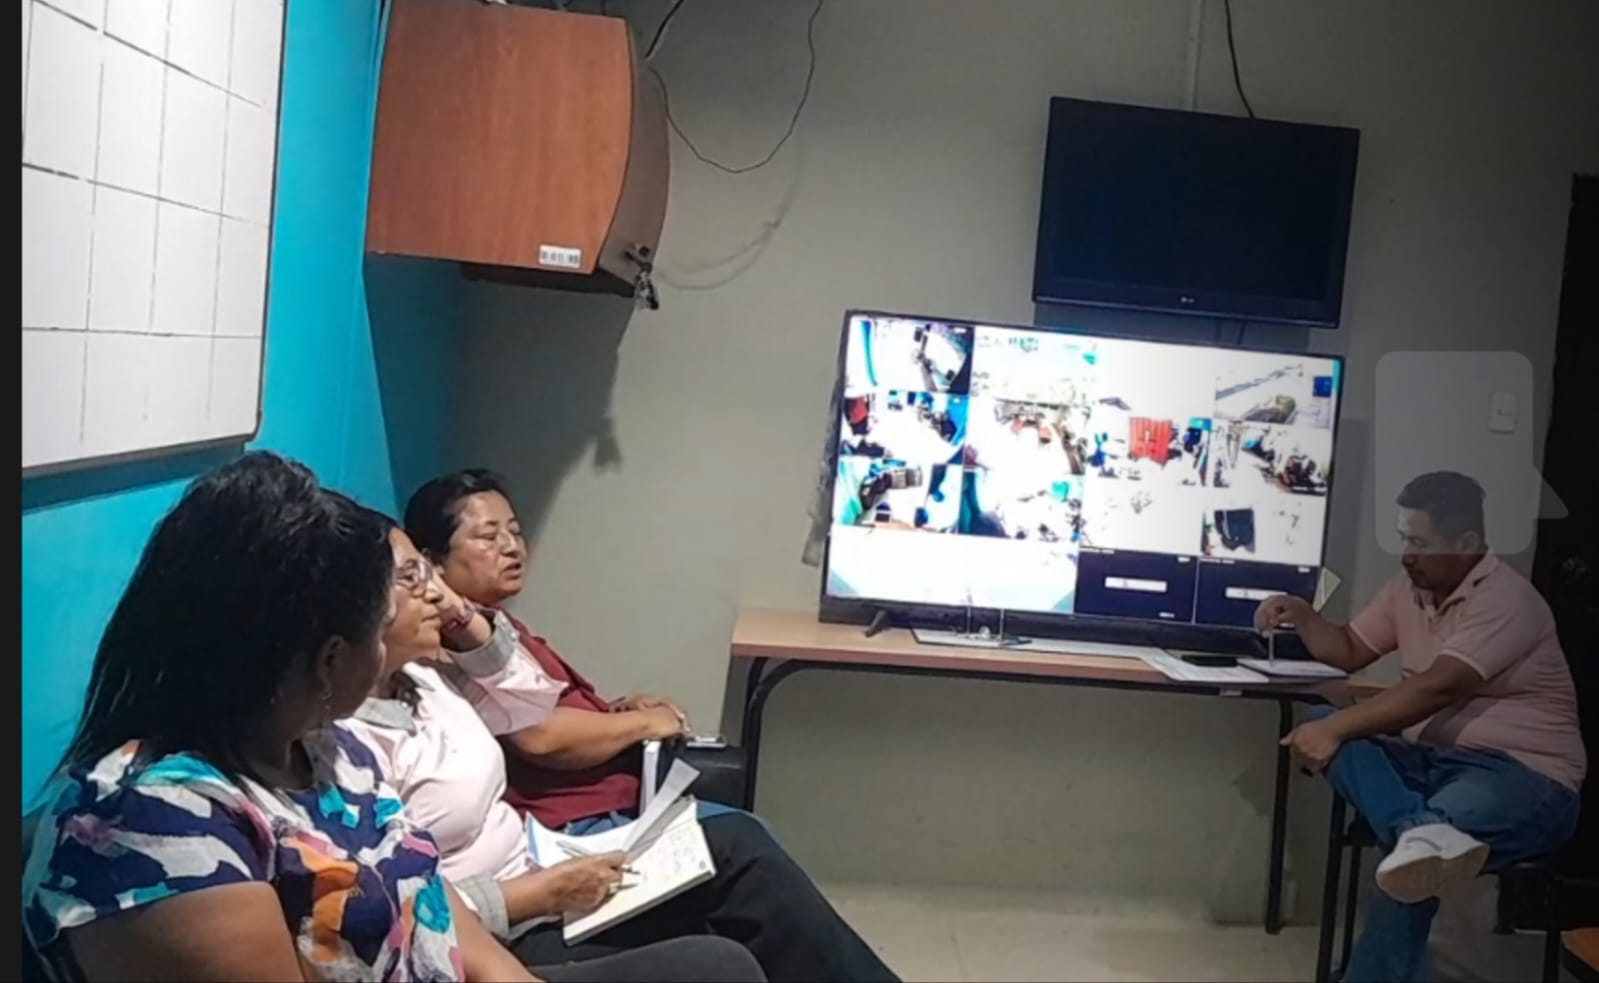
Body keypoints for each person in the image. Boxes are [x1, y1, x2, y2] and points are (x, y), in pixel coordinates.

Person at [20, 452, 763, 983]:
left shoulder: (331, 753)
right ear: (329, 658)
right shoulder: (152, 826)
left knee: (717, 966)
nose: (393, 654)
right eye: (382, 629)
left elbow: (436, 911)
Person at [403, 469, 900, 983]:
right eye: (488, 537)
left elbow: (528, 701)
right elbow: (539, 734)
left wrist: (614, 711)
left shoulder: (490, 635)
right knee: (744, 856)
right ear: (432, 564)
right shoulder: (437, 659)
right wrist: (642, 723)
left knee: (750, 855)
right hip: (565, 834)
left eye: (515, 531)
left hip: (549, 849)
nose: (512, 547)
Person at [1256, 471, 1584, 983]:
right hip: (1435, 764)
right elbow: (1350, 649)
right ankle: (1418, 829)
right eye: (1404, 539)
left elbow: (1438, 687)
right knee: (1326, 724)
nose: (1407, 556)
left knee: (1409, 866)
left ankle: (1414, 841)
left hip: (1523, 777)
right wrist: (1302, 616)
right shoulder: (1409, 589)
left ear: (1466, 544)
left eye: (1420, 543)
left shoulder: (1507, 600)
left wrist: (1339, 727)